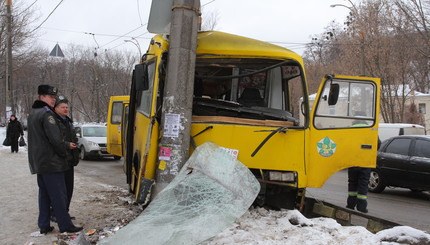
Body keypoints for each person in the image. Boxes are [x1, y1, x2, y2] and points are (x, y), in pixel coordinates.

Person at [27, 84, 83, 234]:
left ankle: (44, 225)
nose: (53, 100)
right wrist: (65, 153)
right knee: (59, 195)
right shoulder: (47, 115)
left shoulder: (33, 113)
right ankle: (65, 225)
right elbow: (56, 140)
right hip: (52, 163)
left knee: (44, 194)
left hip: (40, 162)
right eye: (51, 97)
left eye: (54, 97)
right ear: (42, 97)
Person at [51, 96, 80, 221]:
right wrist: (67, 144)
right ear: (56, 108)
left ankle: (65, 212)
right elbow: (55, 140)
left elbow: (73, 137)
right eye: (63, 107)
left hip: (70, 160)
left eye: (67, 107)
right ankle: (55, 214)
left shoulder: (68, 121)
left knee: (69, 188)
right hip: (59, 160)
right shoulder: (53, 121)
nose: (65, 109)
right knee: (59, 190)